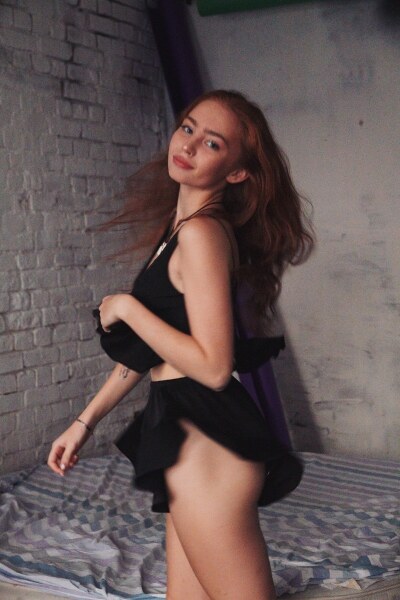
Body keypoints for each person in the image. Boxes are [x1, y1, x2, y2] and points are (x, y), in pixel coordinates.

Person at [48, 90, 314, 600]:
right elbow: (153, 349)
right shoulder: (182, 230)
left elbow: (213, 367)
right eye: (188, 128)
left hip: (206, 441)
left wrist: (128, 308)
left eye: (212, 143)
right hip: (182, 429)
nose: (188, 145)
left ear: (237, 172)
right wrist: (84, 422)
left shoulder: (202, 235)